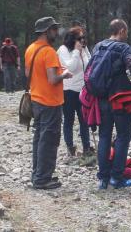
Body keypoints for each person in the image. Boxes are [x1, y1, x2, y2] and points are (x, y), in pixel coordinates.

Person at [25, 17, 73, 190]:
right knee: (49, 140)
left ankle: (38, 174)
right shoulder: (49, 52)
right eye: (54, 29)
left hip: (36, 99)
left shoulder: (31, 49)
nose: (56, 32)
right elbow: (53, 79)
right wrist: (65, 75)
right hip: (50, 102)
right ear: (46, 31)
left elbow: (27, 73)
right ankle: (42, 179)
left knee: (39, 139)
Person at [95, 19, 131, 190]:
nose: (127, 34)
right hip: (120, 97)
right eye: (126, 31)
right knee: (123, 135)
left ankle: (103, 179)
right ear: (121, 31)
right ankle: (117, 177)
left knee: (104, 136)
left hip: (101, 97)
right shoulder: (124, 47)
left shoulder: (98, 46)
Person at [58, 27, 93, 158]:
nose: (82, 41)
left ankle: (86, 147)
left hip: (83, 89)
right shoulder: (63, 50)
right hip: (68, 90)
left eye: (84, 38)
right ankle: (70, 147)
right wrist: (76, 52)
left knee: (84, 119)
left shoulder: (83, 49)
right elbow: (70, 68)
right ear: (72, 39)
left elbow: (90, 64)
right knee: (69, 120)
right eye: (79, 38)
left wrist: (83, 51)